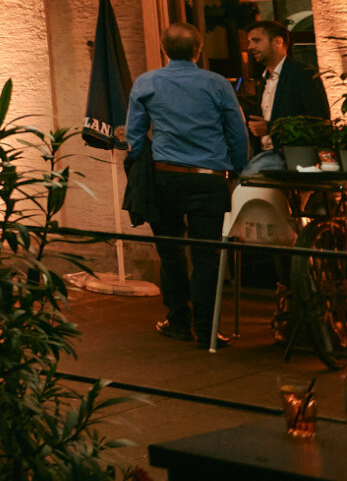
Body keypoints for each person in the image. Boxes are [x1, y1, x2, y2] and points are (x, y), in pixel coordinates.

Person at [125, 21, 248, 349]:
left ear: (164, 49)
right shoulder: (217, 84)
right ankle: (207, 329)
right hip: (209, 179)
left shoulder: (146, 82)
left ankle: (177, 319)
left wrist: (140, 162)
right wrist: (238, 167)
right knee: (207, 255)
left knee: (170, 251)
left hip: (165, 176)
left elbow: (134, 136)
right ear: (199, 50)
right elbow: (237, 131)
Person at [247, 19, 331, 142]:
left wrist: (271, 128)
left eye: (256, 41)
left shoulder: (303, 73)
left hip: (292, 155)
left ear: (277, 42)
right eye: (249, 42)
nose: (250, 47)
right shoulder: (264, 79)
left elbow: (320, 122)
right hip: (265, 153)